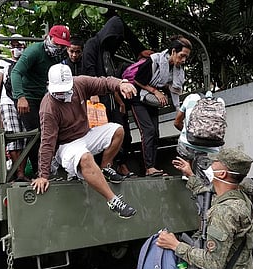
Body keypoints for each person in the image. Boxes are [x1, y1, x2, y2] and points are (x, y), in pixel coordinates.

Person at [31, 64, 138, 219]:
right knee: (85, 157)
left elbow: (104, 82)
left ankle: (105, 168)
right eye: (58, 91)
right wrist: (43, 175)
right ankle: (113, 201)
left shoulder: (79, 83)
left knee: (117, 130)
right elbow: (47, 142)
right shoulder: (49, 107)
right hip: (66, 146)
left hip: (85, 134)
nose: (61, 93)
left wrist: (121, 83)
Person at [11, 25, 71, 178]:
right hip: (28, 97)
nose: (59, 47)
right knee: (36, 134)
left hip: (46, 96)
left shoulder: (60, 55)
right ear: (49, 38)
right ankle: (40, 171)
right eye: (56, 43)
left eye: (62, 45)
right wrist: (20, 96)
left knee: (56, 129)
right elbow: (16, 72)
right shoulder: (34, 51)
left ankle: (60, 166)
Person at [131, 35, 192, 177]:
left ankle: (151, 167)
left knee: (155, 134)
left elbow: (174, 90)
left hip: (151, 102)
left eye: (186, 57)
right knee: (148, 131)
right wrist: (155, 91)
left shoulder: (176, 70)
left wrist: (179, 110)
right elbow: (138, 80)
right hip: (139, 99)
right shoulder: (155, 60)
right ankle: (149, 168)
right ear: (173, 52)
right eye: (182, 55)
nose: (183, 60)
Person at [82, 16, 135, 177]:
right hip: (98, 96)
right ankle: (103, 166)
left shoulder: (108, 50)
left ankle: (120, 164)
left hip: (112, 96)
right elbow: (89, 69)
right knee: (101, 130)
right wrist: (93, 93)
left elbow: (111, 77)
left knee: (122, 129)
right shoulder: (92, 44)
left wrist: (120, 100)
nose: (115, 40)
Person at [0, 36, 28, 181]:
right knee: (14, 136)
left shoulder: (28, 62)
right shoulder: (3, 63)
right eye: (13, 46)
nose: (16, 49)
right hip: (7, 102)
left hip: (25, 102)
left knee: (26, 137)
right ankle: (19, 173)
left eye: (19, 46)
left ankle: (22, 171)